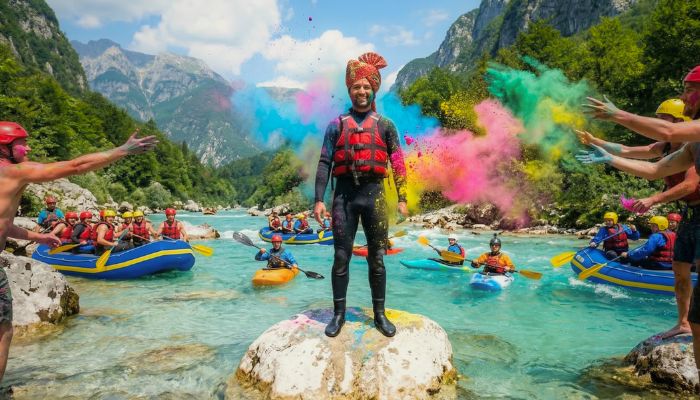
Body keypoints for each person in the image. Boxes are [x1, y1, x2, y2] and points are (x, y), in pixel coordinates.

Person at [0, 121, 156, 382]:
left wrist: (40, 236)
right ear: (4, 147)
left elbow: (4, 225)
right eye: (21, 144)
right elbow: (75, 166)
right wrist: (123, 150)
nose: (27, 149)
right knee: (3, 332)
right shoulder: (13, 173)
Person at [579, 65, 700, 340]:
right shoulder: (686, 146)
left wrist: (616, 115)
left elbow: (690, 181)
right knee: (680, 271)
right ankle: (683, 323)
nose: (685, 95)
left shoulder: (688, 139)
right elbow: (654, 169)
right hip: (691, 214)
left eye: (690, 91)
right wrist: (608, 156)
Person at [313, 52, 409, 338]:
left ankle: (379, 315)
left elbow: (398, 161)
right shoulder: (336, 125)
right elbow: (324, 163)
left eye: (367, 86)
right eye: (357, 86)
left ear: (374, 89)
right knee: (341, 257)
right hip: (343, 198)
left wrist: (402, 197)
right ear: (350, 89)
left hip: (375, 196)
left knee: (376, 258)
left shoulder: (385, 125)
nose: (362, 91)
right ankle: (338, 315)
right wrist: (319, 199)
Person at [577, 99, 699, 214]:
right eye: (658, 118)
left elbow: (689, 185)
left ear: (680, 122)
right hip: (690, 211)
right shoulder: (664, 147)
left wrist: (653, 199)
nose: (657, 122)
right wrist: (595, 141)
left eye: (663, 119)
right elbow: (627, 150)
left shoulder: (693, 146)